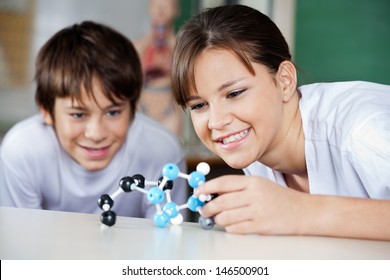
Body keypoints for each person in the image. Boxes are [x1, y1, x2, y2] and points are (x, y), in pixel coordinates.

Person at [171, 4, 390, 240]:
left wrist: (300, 211)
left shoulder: (364, 132)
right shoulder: (256, 141)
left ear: (284, 81)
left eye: (235, 93)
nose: (217, 122)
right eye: (199, 105)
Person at [0, 21, 188, 219]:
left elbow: (168, 244)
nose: (96, 134)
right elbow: (23, 243)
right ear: (46, 111)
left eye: (113, 112)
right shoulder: (21, 152)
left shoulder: (162, 152)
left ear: (134, 108)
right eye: (78, 114)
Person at [134, 0, 184, 137]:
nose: (160, 11)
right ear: (149, 8)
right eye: (155, 6)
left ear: (176, 10)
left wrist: (170, 38)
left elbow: (184, 66)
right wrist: (150, 36)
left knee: (171, 151)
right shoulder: (140, 45)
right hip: (143, 107)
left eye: (167, 6)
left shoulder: (179, 47)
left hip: (169, 108)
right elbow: (130, 66)